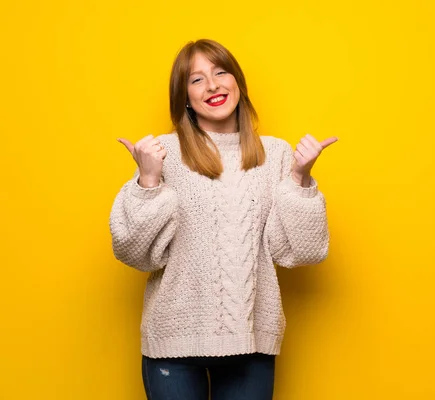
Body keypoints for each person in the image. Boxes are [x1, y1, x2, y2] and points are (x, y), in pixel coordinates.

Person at [109, 39, 336, 400]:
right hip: (174, 342)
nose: (212, 85)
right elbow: (134, 253)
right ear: (184, 97)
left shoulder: (275, 154)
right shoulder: (161, 153)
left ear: (238, 83)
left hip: (251, 339)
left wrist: (300, 180)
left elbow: (299, 252)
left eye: (220, 72)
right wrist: (148, 181)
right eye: (196, 80)